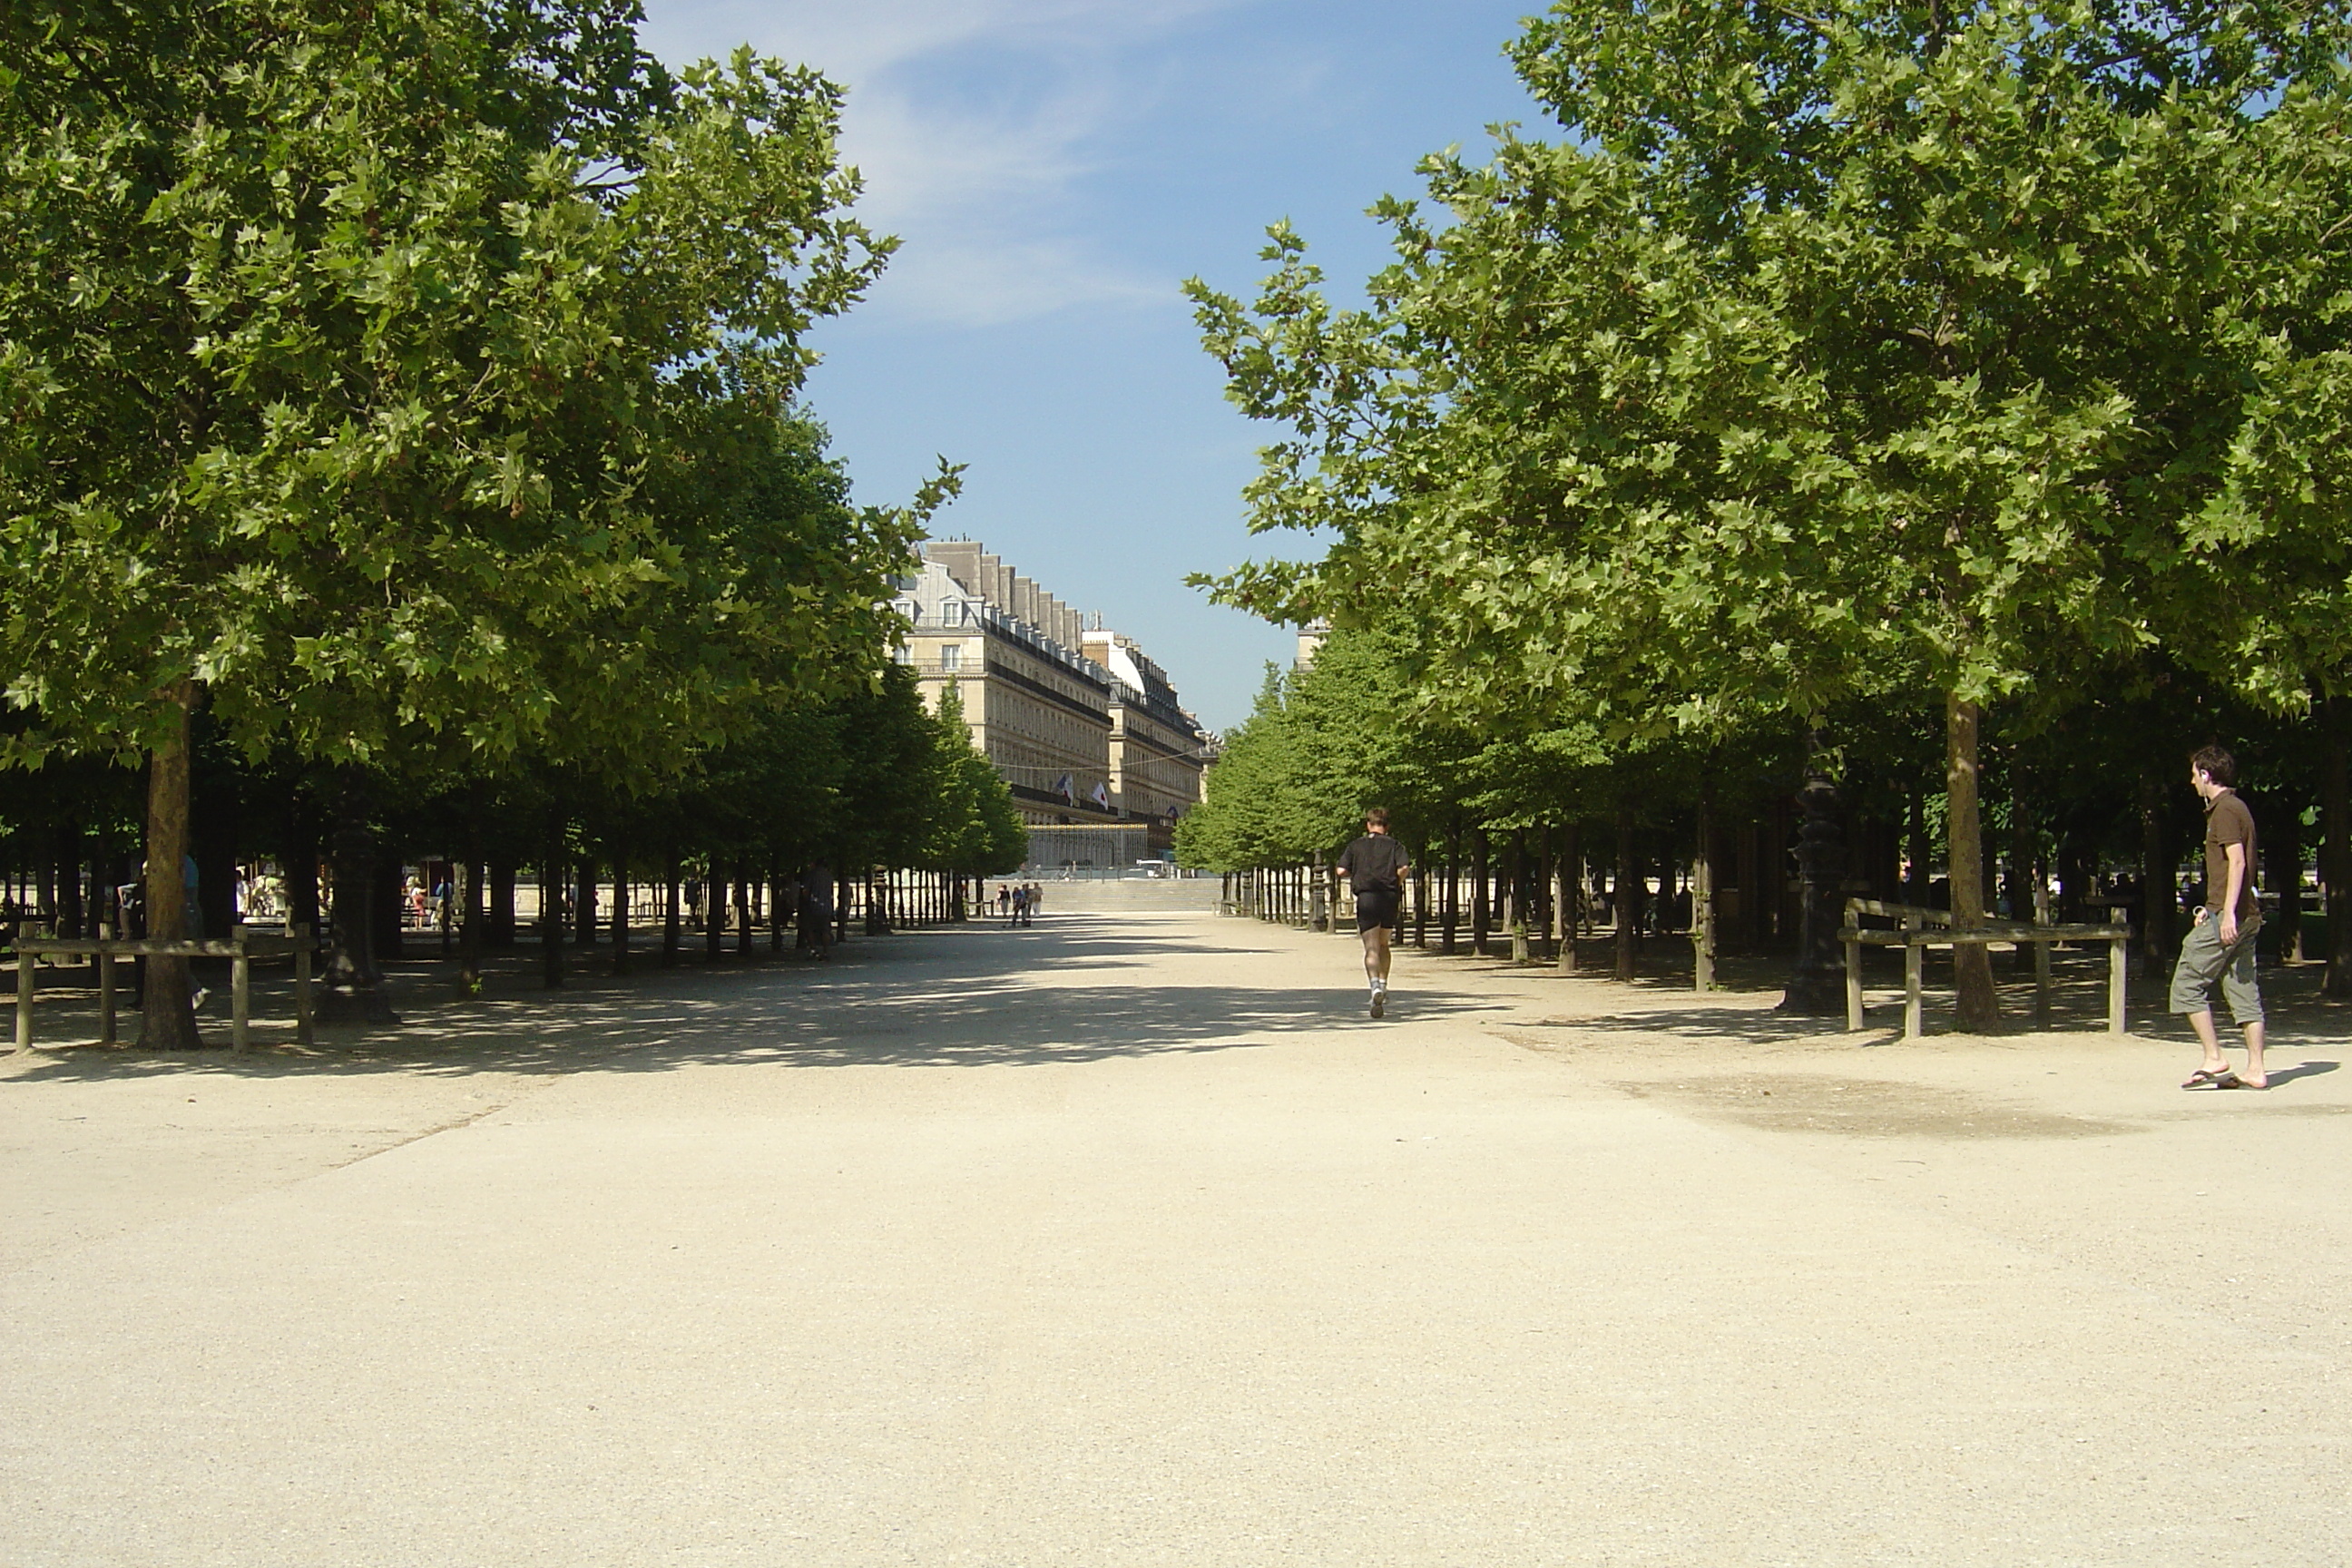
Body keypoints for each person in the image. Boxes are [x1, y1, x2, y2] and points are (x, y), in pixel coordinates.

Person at [2175, 745, 2268, 1090]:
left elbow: (2237, 862)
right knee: (2243, 990)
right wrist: (2211, 909)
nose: (2192, 781)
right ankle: (2256, 1070)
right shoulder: (2235, 808)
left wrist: (2225, 913)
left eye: (2195, 774)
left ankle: (2214, 1057)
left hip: (2232, 917)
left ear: (2206, 775)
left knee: (2186, 982)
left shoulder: (2225, 810)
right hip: (2243, 916)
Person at [1337, 808, 1411, 1017]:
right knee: (1384, 943)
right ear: (1386, 826)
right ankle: (1385, 985)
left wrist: (1358, 871)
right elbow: (1404, 867)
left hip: (1367, 897)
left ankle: (1374, 986)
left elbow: (1341, 870)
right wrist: (1395, 881)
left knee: (1371, 948)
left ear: (1368, 825)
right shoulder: (1395, 845)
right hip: (1389, 896)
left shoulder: (1356, 845)